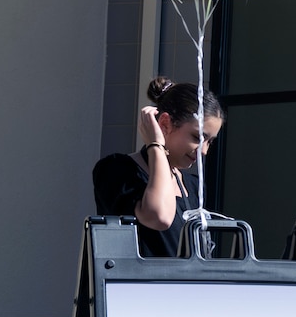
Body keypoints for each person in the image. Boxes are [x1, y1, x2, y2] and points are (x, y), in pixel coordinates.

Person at [91, 76, 223, 259]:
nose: (204, 151)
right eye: (197, 137)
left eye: (210, 141)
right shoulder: (117, 170)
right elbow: (159, 217)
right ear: (165, 124)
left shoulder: (193, 186)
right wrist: (155, 145)